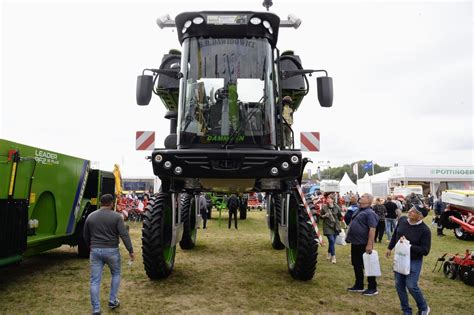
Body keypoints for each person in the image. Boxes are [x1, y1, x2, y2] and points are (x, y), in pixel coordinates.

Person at [84, 194, 135, 315]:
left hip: (95, 250)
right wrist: (130, 250)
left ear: (101, 203)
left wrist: (89, 247)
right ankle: (112, 300)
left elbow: (85, 235)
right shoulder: (117, 217)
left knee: (95, 280)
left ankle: (96, 309)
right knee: (116, 274)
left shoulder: (91, 216)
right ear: (111, 203)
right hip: (112, 250)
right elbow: (124, 234)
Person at [386, 204, 431, 315]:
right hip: (400, 258)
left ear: (420, 217)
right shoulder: (402, 220)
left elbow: (425, 250)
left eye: (414, 211)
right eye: (411, 209)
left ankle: (424, 308)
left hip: (414, 260)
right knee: (399, 285)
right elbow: (395, 234)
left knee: (411, 285)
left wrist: (408, 245)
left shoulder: (425, 230)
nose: (410, 211)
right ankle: (406, 311)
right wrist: (390, 247)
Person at [345, 193, 379, 296]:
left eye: (363, 196)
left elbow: (372, 229)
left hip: (364, 244)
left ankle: (372, 288)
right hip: (355, 242)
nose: (361, 197)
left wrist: (369, 244)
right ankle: (359, 285)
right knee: (356, 264)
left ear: (369, 201)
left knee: (368, 265)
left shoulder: (370, 213)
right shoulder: (358, 210)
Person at [320, 194, 342, 263]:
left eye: (329, 198)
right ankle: (333, 257)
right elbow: (320, 217)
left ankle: (329, 253)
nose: (328, 199)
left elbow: (340, 216)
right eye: (327, 198)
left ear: (332, 200)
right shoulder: (324, 207)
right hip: (327, 226)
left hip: (335, 226)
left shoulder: (337, 207)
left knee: (332, 242)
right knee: (332, 240)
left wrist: (340, 222)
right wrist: (324, 216)